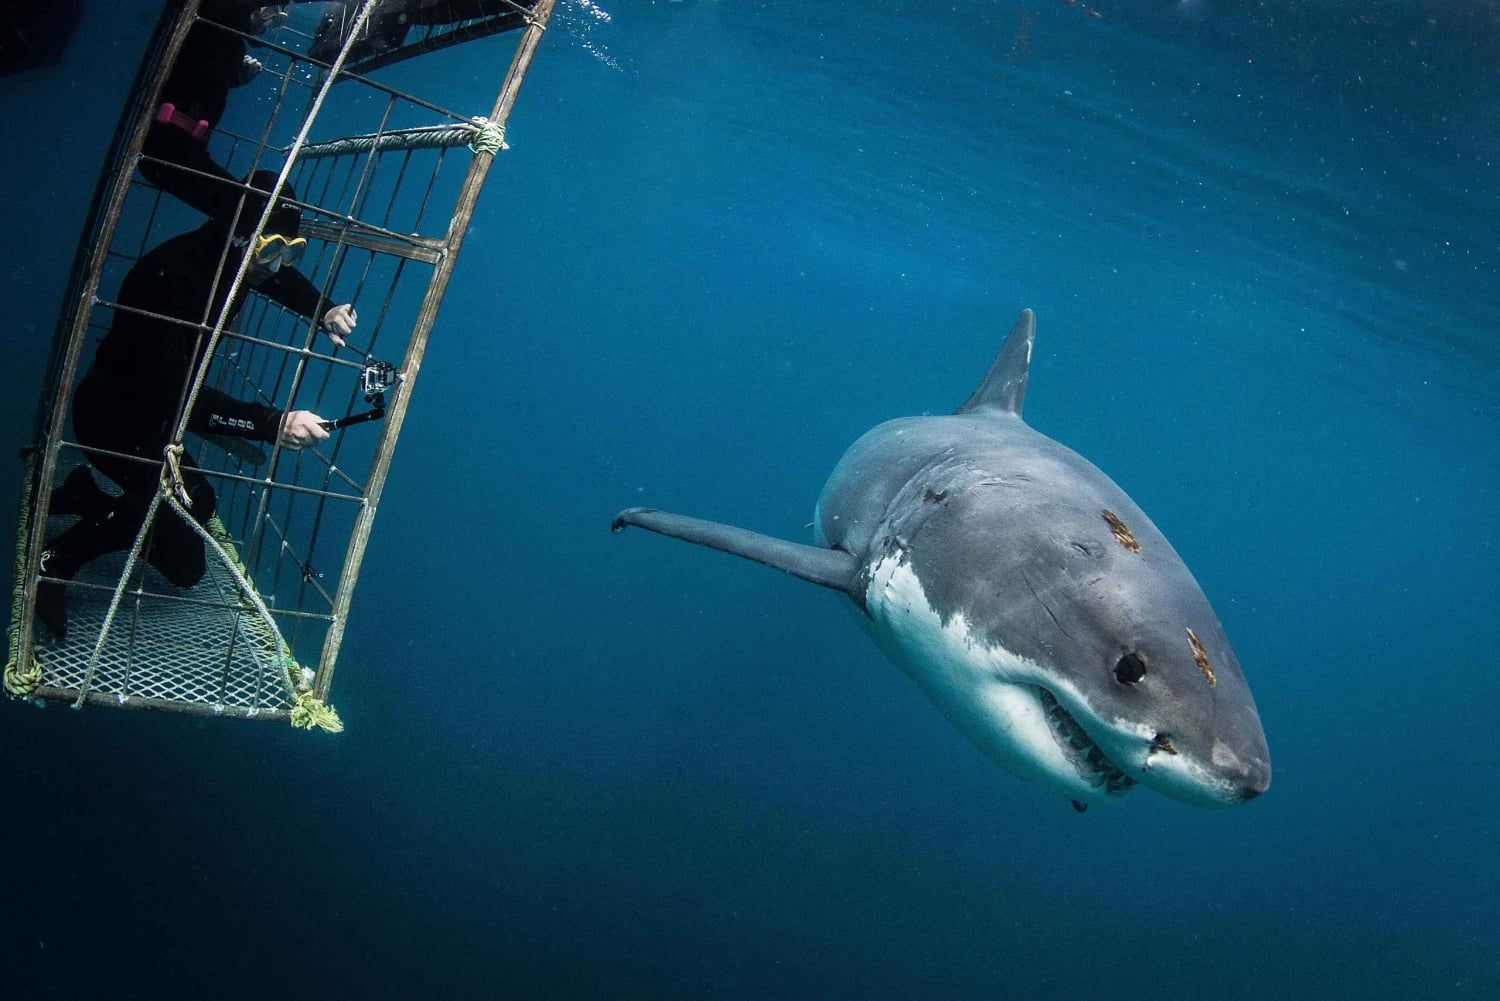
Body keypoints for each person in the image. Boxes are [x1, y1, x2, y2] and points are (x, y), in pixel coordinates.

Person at [35, 171, 357, 640]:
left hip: (157, 418)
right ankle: (59, 560)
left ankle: (85, 497)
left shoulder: (238, 260)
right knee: (188, 549)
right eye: (270, 250)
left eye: (292, 249)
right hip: (114, 415)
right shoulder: (171, 278)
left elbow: (276, 278)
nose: (276, 264)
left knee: (193, 527)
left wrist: (322, 308)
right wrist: (271, 422)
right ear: (238, 237)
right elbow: (171, 392)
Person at [140, 2, 289, 220]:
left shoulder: (224, 34)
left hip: (176, 145)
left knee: (242, 212)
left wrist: (233, 77)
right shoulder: (221, 28)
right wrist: (234, 73)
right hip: (170, 147)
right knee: (249, 213)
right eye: (273, 16)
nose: (267, 28)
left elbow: (203, 73)